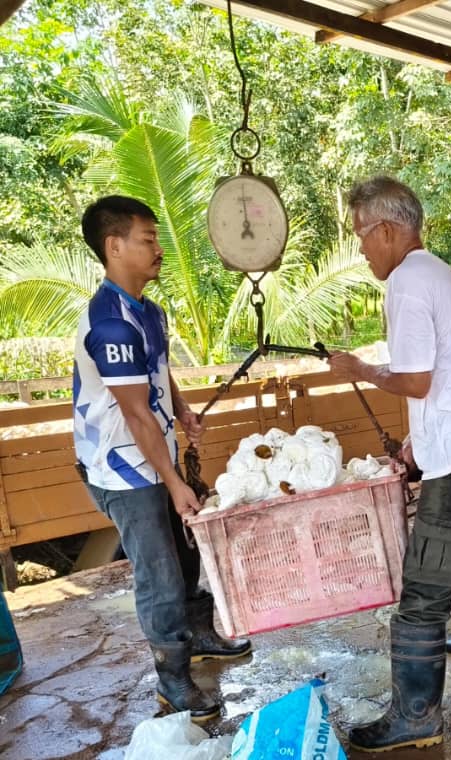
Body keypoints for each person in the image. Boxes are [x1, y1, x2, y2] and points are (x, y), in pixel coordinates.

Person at [327, 176, 451, 753]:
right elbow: (448, 373)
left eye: (361, 235)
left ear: (386, 229)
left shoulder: (407, 281)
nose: (361, 248)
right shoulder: (434, 270)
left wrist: (359, 369)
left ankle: (415, 716)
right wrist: (416, 445)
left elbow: (414, 378)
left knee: (423, 590)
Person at [73, 196, 250, 722]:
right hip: (124, 470)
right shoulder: (110, 324)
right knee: (160, 574)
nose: (158, 249)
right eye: (147, 239)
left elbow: (157, 374)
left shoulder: (147, 312)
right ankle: (173, 679)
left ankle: (196, 634)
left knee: (186, 552)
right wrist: (175, 483)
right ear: (114, 246)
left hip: (156, 455)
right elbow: (134, 415)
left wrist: (184, 408)